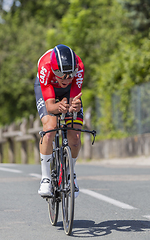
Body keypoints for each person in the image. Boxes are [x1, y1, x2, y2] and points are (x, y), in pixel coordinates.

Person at [34, 44, 84, 197]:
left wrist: (74, 106)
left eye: (70, 75)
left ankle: (70, 174)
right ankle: (46, 178)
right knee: (50, 128)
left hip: (67, 94)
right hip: (47, 89)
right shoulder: (45, 66)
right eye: (61, 75)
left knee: (74, 136)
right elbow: (50, 107)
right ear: (54, 70)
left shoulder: (79, 66)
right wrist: (58, 106)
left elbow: (75, 95)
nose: (66, 79)